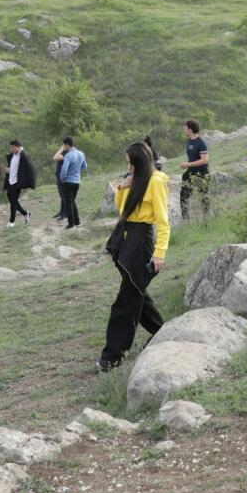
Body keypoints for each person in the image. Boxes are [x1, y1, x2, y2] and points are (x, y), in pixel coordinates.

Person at [97, 141, 169, 372]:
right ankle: (164, 332)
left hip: (141, 243)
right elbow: (122, 210)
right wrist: (121, 188)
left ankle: (112, 356)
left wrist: (159, 254)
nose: (129, 167)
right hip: (125, 238)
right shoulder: (132, 179)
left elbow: (163, 222)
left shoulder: (156, 181)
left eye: (131, 163)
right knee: (137, 292)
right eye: (127, 163)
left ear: (140, 161)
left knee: (125, 301)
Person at [178, 120, 211, 220]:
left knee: (204, 197)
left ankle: (207, 220)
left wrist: (188, 164)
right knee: (184, 195)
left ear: (190, 130)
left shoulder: (201, 143)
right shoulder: (189, 141)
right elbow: (192, 158)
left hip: (202, 173)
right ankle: (185, 220)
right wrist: (187, 165)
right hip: (191, 172)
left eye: (185, 127)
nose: (183, 129)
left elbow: (205, 160)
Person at [54, 137, 87, 229]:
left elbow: (64, 170)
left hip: (68, 181)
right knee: (72, 201)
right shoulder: (81, 153)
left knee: (69, 203)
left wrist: (62, 178)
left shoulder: (68, 155)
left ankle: (71, 224)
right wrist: (77, 172)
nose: (64, 147)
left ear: (67, 145)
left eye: (64, 145)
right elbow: (84, 166)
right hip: (77, 181)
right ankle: (77, 222)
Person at [4, 140, 36, 226]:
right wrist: (7, 170)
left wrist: (29, 182)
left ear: (18, 147)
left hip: (17, 182)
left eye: (12, 147)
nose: (11, 149)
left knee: (13, 202)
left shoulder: (24, 156)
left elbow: (30, 169)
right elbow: (13, 168)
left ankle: (11, 222)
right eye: (10, 147)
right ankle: (26, 213)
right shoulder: (12, 155)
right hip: (10, 180)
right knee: (11, 199)